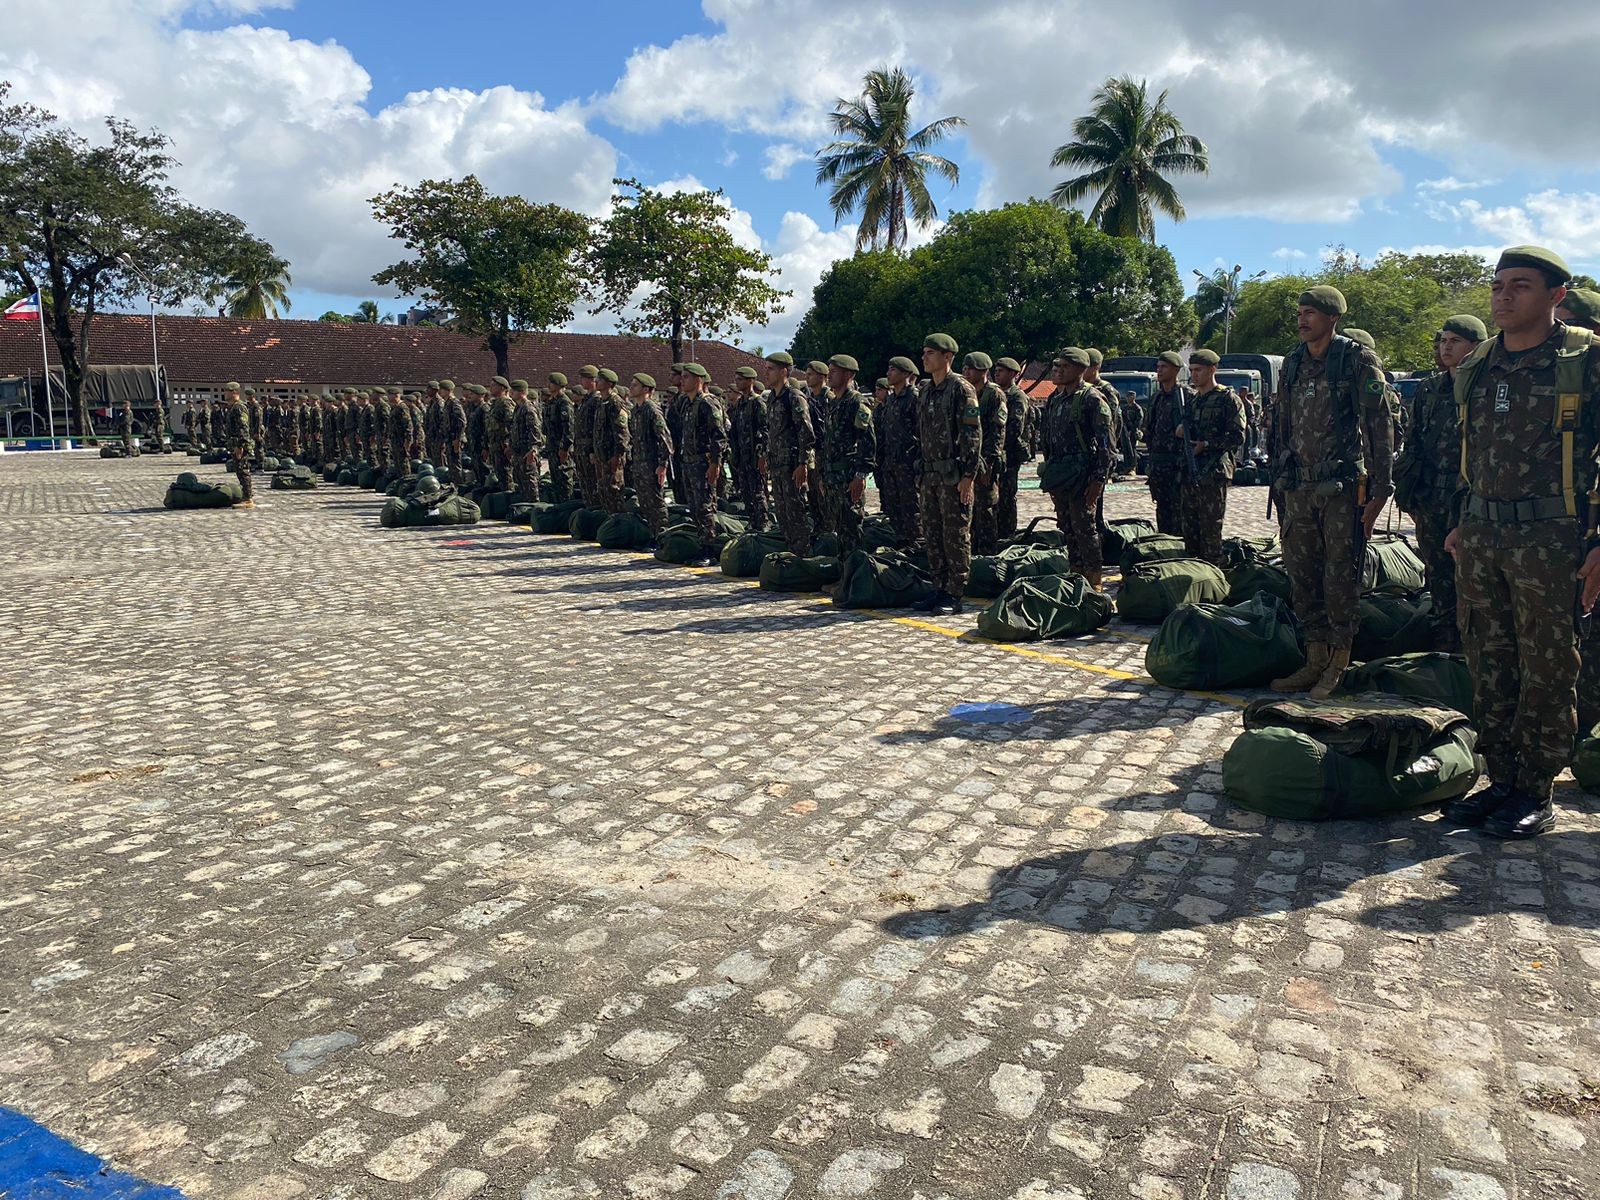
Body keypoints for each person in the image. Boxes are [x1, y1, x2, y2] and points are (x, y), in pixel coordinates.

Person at [1442, 246, 1600, 839]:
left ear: (1557, 294)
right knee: (1489, 657)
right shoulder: (1480, 363)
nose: (1504, 296)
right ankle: (1501, 778)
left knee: (1548, 664)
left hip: (1552, 535)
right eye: (1499, 286)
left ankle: (1537, 786)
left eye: (1521, 286)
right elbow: (1471, 451)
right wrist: (1463, 519)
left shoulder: (1584, 361)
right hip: (1484, 533)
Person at [1268, 285, 1393, 698]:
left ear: (1332, 318)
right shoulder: (1292, 363)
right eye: (1300, 312)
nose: (1302, 319)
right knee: (1302, 576)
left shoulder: (1356, 359)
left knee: (1339, 577)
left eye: (1311, 313)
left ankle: (1340, 660)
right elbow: (1281, 422)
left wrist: (1379, 488)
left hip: (1341, 489)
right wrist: (1279, 475)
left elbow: (1379, 427)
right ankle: (1315, 657)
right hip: (1299, 485)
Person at [1395, 316, 1485, 653]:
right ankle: (1446, 648)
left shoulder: (1485, 386)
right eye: (1444, 341)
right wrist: (1411, 489)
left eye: (1455, 341)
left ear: (1476, 346)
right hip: (1431, 497)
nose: (1446, 347)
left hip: (1472, 500)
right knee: (1437, 574)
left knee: (1474, 580)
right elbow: (1414, 440)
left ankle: (1473, 650)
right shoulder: (1429, 389)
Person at [912, 333, 981, 614]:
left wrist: (968, 476)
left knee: (955, 534)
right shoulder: (926, 390)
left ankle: (955, 592)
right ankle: (939, 587)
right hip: (930, 475)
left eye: (930, 353)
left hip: (954, 475)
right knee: (932, 533)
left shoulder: (961, 389)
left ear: (947, 357)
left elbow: (972, 434)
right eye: (924, 352)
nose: (924, 357)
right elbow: (921, 433)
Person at [1039, 349, 1114, 589]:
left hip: (1083, 476)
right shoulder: (1055, 399)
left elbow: (1106, 445)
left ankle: (1094, 581)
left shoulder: (1092, 399)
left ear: (1081, 370)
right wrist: (1051, 476)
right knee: (1067, 528)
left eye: (1065, 367)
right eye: (1057, 366)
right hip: (1061, 474)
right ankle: (1076, 575)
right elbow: (1048, 439)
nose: (1059, 370)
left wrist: (1098, 480)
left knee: (1085, 530)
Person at [1176, 349, 1246, 566]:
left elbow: (1237, 436)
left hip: (1214, 472)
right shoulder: (1194, 400)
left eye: (1199, 370)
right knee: (1190, 529)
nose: (1194, 375)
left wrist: (1206, 445)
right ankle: (1196, 573)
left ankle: (1216, 574)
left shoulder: (1228, 399)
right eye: (1192, 370)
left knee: (1210, 530)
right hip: (1191, 470)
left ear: (1212, 370)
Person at [820, 353, 875, 558]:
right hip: (834, 477)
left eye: (834, 372)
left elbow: (867, 442)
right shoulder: (833, 403)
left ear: (848, 374)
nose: (829, 376)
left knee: (851, 528)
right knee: (840, 529)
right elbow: (828, 443)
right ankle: (844, 574)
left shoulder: (856, 402)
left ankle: (854, 576)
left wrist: (860, 475)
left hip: (849, 476)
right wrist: (825, 476)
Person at [763, 351, 816, 555]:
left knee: (796, 512)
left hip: (792, 466)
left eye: (771, 369)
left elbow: (806, 433)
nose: (766, 373)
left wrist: (803, 464)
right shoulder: (772, 399)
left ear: (784, 371)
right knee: (782, 513)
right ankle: (789, 554)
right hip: (777, 465)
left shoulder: (794, 397)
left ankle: (802, 555)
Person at [677, 363, 728, 567]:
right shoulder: (686, 404)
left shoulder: (708, 403)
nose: (682, 381)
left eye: (686, 377)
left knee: (705, 506)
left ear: (699, 380)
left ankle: (710, 548)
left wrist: (715, 463)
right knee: (695, 506)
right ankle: (701, 544)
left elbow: (719, 436)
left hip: (703, 462)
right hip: (689, 462)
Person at [963, 352, 1007, 556]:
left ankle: (988, 555)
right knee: (970, 509)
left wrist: (989, 463)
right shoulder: (968, 393)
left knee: (986, 509)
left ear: (983, 371)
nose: (966, 372)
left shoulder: (994, 394)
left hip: (987, 461)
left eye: (970, 369)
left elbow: (998, 431)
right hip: (971, 459)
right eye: (965, 368)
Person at [877, 356, 922, 546]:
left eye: (893, 370)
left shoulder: (914, 398)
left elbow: (923, 432)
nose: (888, 373)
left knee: (912, 509)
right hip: (891, 463)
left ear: (905, 374)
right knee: (894, 508)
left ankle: (916, 548)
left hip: (908, 464)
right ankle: (901, 544)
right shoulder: (892, 400)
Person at [1144, 351, 1189, 535]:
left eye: (1164, 367)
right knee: (1162, 512)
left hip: (1178, 465)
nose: (1159, 371)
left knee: (1180, 514)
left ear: (1176, 370)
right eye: (1158, 367)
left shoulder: (1187, 396)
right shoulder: (1156, 398)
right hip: (1158, 465)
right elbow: (1150, 429)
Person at [628, 372, 673, 541]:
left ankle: (661, 535)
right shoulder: (635, 411)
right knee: (644, 501)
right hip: (639, 463)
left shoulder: (652, 410)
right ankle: (651, 534)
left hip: (652, 464)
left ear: (646, 389)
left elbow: (665, 439)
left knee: (656, 501)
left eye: (635, 385)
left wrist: (662, 464)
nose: (631, 387)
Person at [728, 365, 770, 532]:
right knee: (746, 494)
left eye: (740, 379)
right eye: (736, 379)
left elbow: (766, 431)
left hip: (755, 457)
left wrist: (762, 456)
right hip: (742, 458)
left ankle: (763, 525)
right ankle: (753, 523)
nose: (737, 383)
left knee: (758, 494)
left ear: (750, 381)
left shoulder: (758, 403)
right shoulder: (739, 405)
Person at [993, 357, 1031, 539]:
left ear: (1013, 374)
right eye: (996, 370)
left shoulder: (1017, 396)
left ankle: (1007, 535)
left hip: (1009, 454)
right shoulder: (994, 393)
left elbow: (1014, 427)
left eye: (1001, 371)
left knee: (1006, 496)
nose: (997, 373)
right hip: (996, 453)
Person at [803, 359, 834, 535]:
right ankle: (819, 530)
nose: (806, 378)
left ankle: (829, 534)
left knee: (825, 498)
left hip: (826, 454)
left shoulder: (829, 398)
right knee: (813, 496)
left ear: (822, 376)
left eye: (810, 374)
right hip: (814, 454)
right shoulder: (809, 399)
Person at [593, 368, 630, 514]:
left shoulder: (616, 403)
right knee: (604, 490)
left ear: (609, 383)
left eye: (600, 380)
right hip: (602, 455)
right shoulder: (602, 402)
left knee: (615, 490)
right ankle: (611, 520)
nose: (596, 382)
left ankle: (620, 522)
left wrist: (618, 454)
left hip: (612, 456)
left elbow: (622, 431)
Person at [222, 381, 255, 508]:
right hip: (234, 443)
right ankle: (246, 495)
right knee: (239, 470)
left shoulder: (239, 407)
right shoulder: (233, 407)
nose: (225, 393)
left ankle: (248, 499)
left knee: (243, 470)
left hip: (239, 444)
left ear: (235, 392)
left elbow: (243, 427)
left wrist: (240, 445)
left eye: (227, 391)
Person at [572, 366, 601, 505]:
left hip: (589, 449)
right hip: (581, 449)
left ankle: (595, 511)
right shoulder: (586, 399)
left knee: (593, 483)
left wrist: (593, 451)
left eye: (584, 378)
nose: (581, 381)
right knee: (585, 484)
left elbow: (596, 428)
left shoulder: (597, 400)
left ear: (593, 380)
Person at [543, 373, 575, 502]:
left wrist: (565, 448)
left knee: (565, 479)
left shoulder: (564, 403)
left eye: (551, 383)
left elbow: (569, 429)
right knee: (556, 480)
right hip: (552, 447)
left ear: (558, 385)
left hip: (561, 448)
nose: (548, 385)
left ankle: (566, 506)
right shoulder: (552, 402)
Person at [510, 379, 544, 502]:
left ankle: (533, 507)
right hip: (518, 451)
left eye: (514, 390)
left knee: (530, 481)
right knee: (520, 480)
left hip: (527, 451)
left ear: (522, 392)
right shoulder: (518, 408)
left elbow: (535, 430)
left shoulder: (528, 408)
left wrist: (533, 450)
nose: (511, 393)